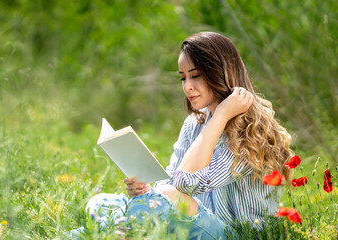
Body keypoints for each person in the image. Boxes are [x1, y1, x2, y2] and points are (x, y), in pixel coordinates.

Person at [70, 32, 293, 239]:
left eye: (195, 76)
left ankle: (105, 233)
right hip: (196, 221)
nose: (187, 87)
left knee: (150, 204)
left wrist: (221, 115)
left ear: (220, 73)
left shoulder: (252, 131)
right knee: (99, 202)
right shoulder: (194, 123)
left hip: (235, 234)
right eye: (183, 78)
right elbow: (170, 182)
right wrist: (146, 190)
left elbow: (185, 183)